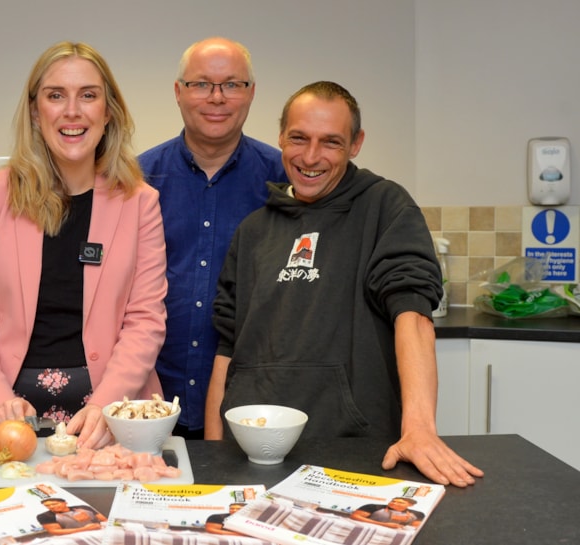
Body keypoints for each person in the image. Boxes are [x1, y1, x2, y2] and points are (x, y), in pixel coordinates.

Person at [203, 81, 484, 488]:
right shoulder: (253, 231)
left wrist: (420, 428)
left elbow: (414, 316)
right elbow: (226, 351)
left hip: (353, 453)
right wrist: (215, 453)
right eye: (298, 138)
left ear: (356, 144)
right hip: (252, 456)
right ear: (281, 135)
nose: (311, 157)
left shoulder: (386, 207)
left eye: (331, 142)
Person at [0, 41, 167, 449]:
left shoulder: (140, 203)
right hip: (3, 419)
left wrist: (107, 406)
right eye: (55, 95)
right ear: (34, 110)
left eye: (88, 95)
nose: (72, 111)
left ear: (108, 110)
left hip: (111, 418)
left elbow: (145, 321)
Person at [138, 37, 286, 439]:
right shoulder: (135, 180)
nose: (217, 98)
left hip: (254, 406)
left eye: (232, 84)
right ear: (178, 92)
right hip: (148, 403)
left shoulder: (285, 180)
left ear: (252, 93)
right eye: (201, 84)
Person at [36, 498, 106, 535]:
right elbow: (55, 531)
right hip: (72, 536)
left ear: (65, 503)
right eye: (47, 506)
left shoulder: (84, 507)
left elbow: (104, 520)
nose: (51, 507)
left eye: (54, 504)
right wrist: (85, 529)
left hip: (99, 531)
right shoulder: (44, 516)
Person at [350, 498, 425, 530]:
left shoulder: (417, 514)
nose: (394, 503)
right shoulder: (374, 506)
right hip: (367, 528)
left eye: (400, 502)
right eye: (393, 501)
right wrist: (384, 524)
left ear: (410, 505)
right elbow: (354, 516)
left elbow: (417, 527)